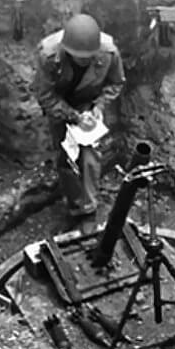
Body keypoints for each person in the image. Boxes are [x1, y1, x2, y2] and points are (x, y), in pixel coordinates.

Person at [34, 13, 125, 227]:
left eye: (88, 56)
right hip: (59, 104)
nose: (84, 60)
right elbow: (45, 94)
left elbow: (116, 83)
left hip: (88, 103)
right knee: (65, 156)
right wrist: (73, 117)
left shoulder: (109, 52)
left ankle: (89, 208)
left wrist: (99, 106)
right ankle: (75, 206)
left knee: (90, 155)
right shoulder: (48, 55)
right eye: (78, 56)